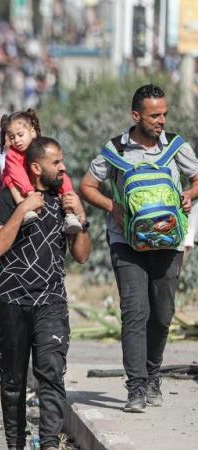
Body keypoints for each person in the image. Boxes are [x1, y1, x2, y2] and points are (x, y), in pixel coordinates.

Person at [79, 84, 198, 413]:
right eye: (154, 115)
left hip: (168, 241)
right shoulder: (115, 149)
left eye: (165, 114)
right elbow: (87, 186)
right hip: (126, 242)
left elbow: (197, 177)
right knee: (135, 313)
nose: (161, 120)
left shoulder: (176, 146)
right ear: (136, 115)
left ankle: (153, 373)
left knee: (161, 315)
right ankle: (136, 387)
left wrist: (190, 194)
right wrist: (111, 206)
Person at [0, 137, 91, 450]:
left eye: (61, 162)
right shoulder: (9, 197)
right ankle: (15, 444)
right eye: (55, 162)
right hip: (11, 302)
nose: (62, 168)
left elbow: (82, 256)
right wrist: (22, 210)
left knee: (51, 376)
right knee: (13, 381)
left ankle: (48, 444)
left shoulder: (65, 199)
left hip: (51, 302)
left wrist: (82, 220)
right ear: (36, 167)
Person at [0, 109, 81, 234]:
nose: (16, 140)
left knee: (60, 175)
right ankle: (26, 209)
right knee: (10, 180)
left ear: (32, 132)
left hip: (36, 184)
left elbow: (56, 167)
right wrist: (30, 193)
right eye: (12, 137)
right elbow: (19, 176)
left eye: (20, 135)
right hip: (22, 187)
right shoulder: (12, 155)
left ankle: (70, 214)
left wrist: (69, 193)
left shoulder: (41, 148)